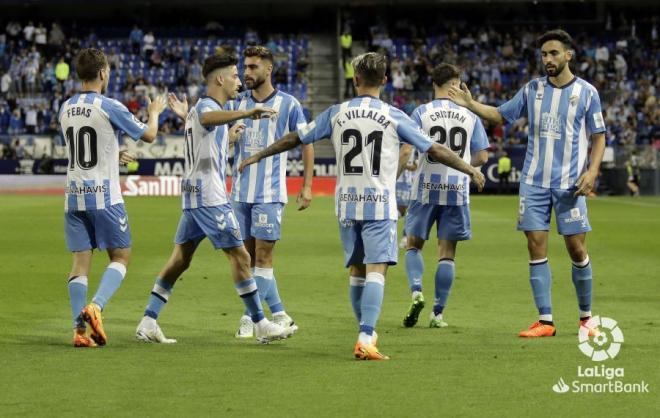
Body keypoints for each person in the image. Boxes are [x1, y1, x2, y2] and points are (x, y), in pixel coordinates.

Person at [239, 52, 485, 360]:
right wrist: (470, 168)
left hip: (346, 206)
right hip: (379, 205)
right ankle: (366, 336)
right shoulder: (396, 116)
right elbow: (434, 148)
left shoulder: (336, 112)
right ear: (384, 81)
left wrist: (258, 155)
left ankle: (363, 329)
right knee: (376, 271)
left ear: (355, 80)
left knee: (356, 272)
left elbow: (295, 138)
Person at [448, 29, 606, 337]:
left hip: (569, 184)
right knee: (536, 246)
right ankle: (545, 321)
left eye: (553, 53)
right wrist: (471, 104)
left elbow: (599, 136)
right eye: (544, 54)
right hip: (533, 183)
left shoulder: (587, 93)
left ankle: (587, 320)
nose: (547, 59)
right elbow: (499, 115)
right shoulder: (532, 89)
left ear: (568, 55)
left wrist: (592, 172)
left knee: (576, 248)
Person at [134, 53, 295, 344]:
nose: (238, 81)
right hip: (211, 198)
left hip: (193, 197)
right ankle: (260, 324)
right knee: (241, 256)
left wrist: (228, 135)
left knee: (180, 260)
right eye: (234, 75)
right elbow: (208, 118)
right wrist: (248, 112)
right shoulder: (208, 107)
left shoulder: (203, 111)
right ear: (220, 79)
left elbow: (206, 130)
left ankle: (148, 320)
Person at [58, 48, 167, 347]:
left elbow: (83, 149)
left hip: (73, 196)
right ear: (103, 73)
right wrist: (154, 113)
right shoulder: (109, 105)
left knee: (80, 264)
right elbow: (149, 135)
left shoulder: (65, 107)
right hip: (104, 197)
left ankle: (79, 332)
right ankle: (96, 308)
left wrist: (113, 154)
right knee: (121, 256)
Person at [226, 46, 314, 338]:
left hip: (269, 192)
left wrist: (307, 185)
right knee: (246, 260)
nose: (247, 72)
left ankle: (250, 320)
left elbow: (306, 142)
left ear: (268, 69)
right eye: (245, 67)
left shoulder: (289, 104)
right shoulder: (237, 103)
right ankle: (280, 313)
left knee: (263, 257)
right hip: (240, 193)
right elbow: (220, 139)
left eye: (253, 67)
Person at [401, 63, 489, 328]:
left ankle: (417, 291)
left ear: (434, 85)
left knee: (414, 244)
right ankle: (438, 314)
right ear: (457, 85)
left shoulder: (420, 112)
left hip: (424, 188)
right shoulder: (470, 116)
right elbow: (483, 156)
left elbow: (406, 151)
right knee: (447, 253)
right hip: (457, 190)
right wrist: (465, 167)